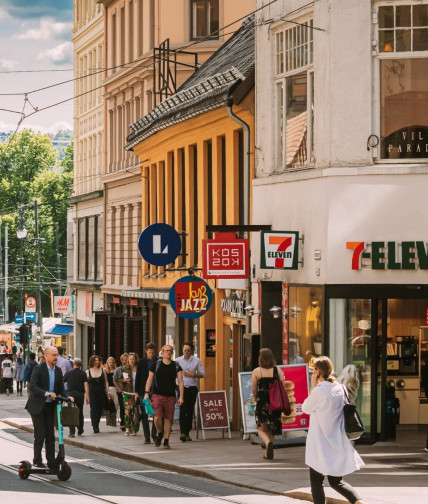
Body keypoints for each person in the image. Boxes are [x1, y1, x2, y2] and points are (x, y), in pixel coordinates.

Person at [302, 356, 365, 504]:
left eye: (313, 371)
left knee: (316, 481)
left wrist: (312, 387)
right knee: (337, 481)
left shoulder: (319, 391)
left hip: (320, 442)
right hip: (336, 440)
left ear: (317, 372)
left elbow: (306, 408)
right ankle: (358, 502)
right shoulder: (340, 388)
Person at [25, 346, 73, 468]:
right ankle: (37, 460)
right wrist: (47, 393)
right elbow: (33, 387)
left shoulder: (57, 370)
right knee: (40, 433)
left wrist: (68, 396)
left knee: (50, 434)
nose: (56, 357)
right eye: (53, 355)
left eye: (57, 355)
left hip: (50, 406)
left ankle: (51, 461)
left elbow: (61, 388)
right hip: (37, 406)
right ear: (46, 356)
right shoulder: (38, 369)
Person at [144, 344, 184, 449]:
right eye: (166, 350)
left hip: (171, 396)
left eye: (170, 350)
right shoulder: (156, 364)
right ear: (162, 352)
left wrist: (181, 397)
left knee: (168, 419)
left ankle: (166, 440)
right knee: (157, 417)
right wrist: (146, 392)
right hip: (157, 395)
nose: (168, 352)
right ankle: (160, 432)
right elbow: (149, 379)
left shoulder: (176, 366)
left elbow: (180, 382)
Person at [251, 348, 286, 460]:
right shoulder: (278, 370)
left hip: (262, 401)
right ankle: (268, 451)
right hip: (275, 402)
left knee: (261, 428)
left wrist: (257, 398)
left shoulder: (257, 371)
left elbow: (254, 389)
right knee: (271, 428)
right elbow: (283, 387)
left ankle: (267, 443)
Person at [176, 341, 205, 442]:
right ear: (182, 350)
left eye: (188, 350)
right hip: (181, 388)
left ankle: (187, 432)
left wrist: (193, 374)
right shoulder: (178, 360)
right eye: (185, 350)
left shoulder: (196, 360)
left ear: (192, 351)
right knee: (182, 410)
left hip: (192, 388)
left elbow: (202, 374)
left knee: (190, 411)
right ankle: (183, 433)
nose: (186, 352)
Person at [135, 343, 157, 444]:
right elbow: (138, 377)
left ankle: (154, 434)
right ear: (146, 352)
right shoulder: (141, 362)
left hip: (155, 390)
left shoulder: (158, 362)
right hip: (143, 391)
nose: (151, 354)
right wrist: (136, 392)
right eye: (149, 352)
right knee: (144, 414)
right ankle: (147, 436)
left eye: (153, 352)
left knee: (155, 414)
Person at [63, 358, 89, 437]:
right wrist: (87, 396)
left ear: (73, 364)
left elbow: (62, 382)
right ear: (80, 365)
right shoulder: (83, 373)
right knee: (80, 412)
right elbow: (86, 385)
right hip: (80, 395)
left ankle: (72, 432)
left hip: (71, 395)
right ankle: (80, 429)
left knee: (71, 412)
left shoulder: (68, 373)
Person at [86, 355, 110, 433]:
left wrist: (108, 391)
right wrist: (87, 395)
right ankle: (94, 425)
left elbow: (106, 381)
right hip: (92, 392)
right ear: (92, 362)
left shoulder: (103, 370)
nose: (97, 362)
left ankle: (97, 423)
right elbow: (86, 384)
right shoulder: (88, 371)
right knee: (93, 408)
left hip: (101, 391)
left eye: (98, 360)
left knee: (99, 409)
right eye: (95, 360)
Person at [118, 353, 140, 436]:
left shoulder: (139, 368)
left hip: (137, 393)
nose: (131, 360)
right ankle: (127, 427)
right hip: (127, 393)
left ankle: (134, 429)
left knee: (136, 412)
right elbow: (119, 379)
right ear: (128, 360)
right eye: (130, 359)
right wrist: (124, 381)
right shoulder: (124, 368)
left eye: (133, 359)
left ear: (135, 360)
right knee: (128, 411)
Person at [113, 353, 129, 431]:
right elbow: (114, 380)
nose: (126, 361)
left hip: (129, 391)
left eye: (127, 359)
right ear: (122, 361)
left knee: (128, 407)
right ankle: (123, 423)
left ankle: (128, 422)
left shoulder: (130, 369)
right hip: (121, 391)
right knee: (122, 407)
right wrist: (119, 389)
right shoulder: (118, 369)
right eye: (125, 360)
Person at [105, 356, 119, 427]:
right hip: (109, 388)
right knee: (109, 405)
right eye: (110, 362)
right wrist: (107, 391)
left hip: (115, 388)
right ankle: (109, 419)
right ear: (107, 362)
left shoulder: (116, 370)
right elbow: (106, 381)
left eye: (112, 362)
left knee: (116, 404)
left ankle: (113, 418)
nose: (111, 363)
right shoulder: (105, 371)